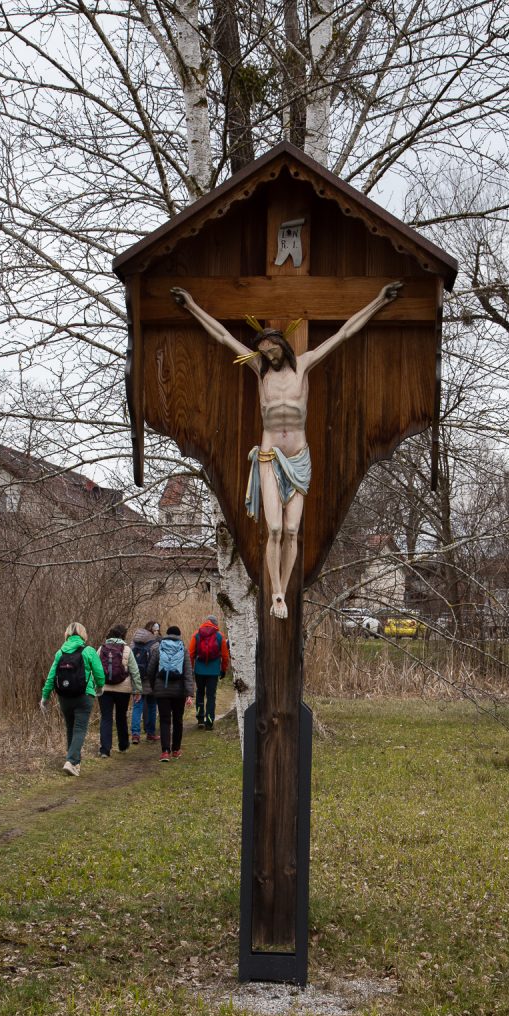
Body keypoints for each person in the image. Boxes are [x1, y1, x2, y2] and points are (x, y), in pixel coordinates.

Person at [170, 281, 403, 619]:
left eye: (273, 350)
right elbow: (222, 336)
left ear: (282, 345)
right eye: (264, 352)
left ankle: (285, 591)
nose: (269, 356)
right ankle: (276, 594)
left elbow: (344, 334)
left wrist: (379, 300)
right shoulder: (259, 370)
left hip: (298, 459)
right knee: (275, 529)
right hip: (268, 457)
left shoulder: (303, 365)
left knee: (292, 530)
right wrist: (191, 305)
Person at [40, 621, 105, 776]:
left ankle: (74, 762)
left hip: (64, 696)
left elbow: (51, 677)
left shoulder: (60, 652)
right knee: (80, 728)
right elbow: (99, 673)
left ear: (67, 634)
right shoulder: (88, 651)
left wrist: (45, 697)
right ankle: (71, 761)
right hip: (84, 695)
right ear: (83, 634)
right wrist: (100, 687)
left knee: (70, 727)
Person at [146, 625, 194, 762]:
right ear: (179, 635)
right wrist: (189, 693)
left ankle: (165, 752)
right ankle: (176, 750)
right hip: (179, 692)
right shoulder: (183, 649)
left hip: (162, 691)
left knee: (165, 720)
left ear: (167, 634)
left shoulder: (158, 648)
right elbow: (188, 673)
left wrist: (154, 686)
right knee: (178, 720)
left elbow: (150, 670)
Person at [97, 624, 142, 757]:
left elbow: (95, 668)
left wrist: (96, 686)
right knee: (121, 716)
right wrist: (137, 690)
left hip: (105, 688)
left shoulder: (101, 648)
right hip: (123, 689)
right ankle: (123, 745)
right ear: (123, 635)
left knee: (106, 717)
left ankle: (105, 750)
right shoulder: (127, 649)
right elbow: (135, 671)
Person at [189, 614, 230, 730]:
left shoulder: (196, 634)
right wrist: (223, 669)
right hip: (213, 671)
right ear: (215, 624)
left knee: (200, 693)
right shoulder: (220, 636)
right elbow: (225, 656)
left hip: (199, 671)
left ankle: (200, 719)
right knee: (211, 696)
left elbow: (191, 653)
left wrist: (191, 669)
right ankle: (210, 722)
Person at [130, 621, 161, 743]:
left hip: (136, 678)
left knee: (137, 706)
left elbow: (130, 661)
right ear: (153, 630)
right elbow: (156, 663)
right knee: (152, 706)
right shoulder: (155, 644)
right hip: (151, 680)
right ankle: (150, 733)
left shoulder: (133, 642)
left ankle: (135, 734)